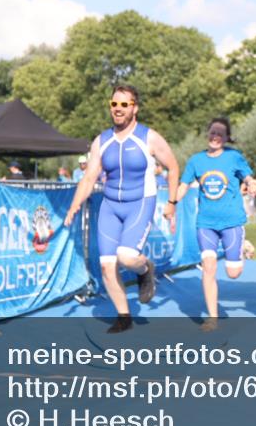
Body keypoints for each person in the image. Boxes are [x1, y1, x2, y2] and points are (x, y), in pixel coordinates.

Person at [64, 85, 180, 333]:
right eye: (114, 104)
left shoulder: (149, 137)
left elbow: (173, 167)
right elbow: (89, 178)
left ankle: (145, 268)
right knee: (107, 265)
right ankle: (124, 316)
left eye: (124, 104)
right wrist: (74, 206)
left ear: (134, 108)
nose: (118, 109)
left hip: (140, 203)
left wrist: (171, 203)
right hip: (110, 207)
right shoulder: (101, 141)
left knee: (127, 257)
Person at [173, 118, 256, 332]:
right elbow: (183, 186)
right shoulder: (196, 161)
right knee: (209, 267)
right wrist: (171, 206)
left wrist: (253, 184)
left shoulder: (234, 157)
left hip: (232, 221)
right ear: (208, 133)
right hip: (206, 224)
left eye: (220, 134)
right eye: (212, 132)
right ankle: (212, 317)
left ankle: (242, 245)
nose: (215, 137)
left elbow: (248, 178)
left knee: (233, 273)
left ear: (226, 138)